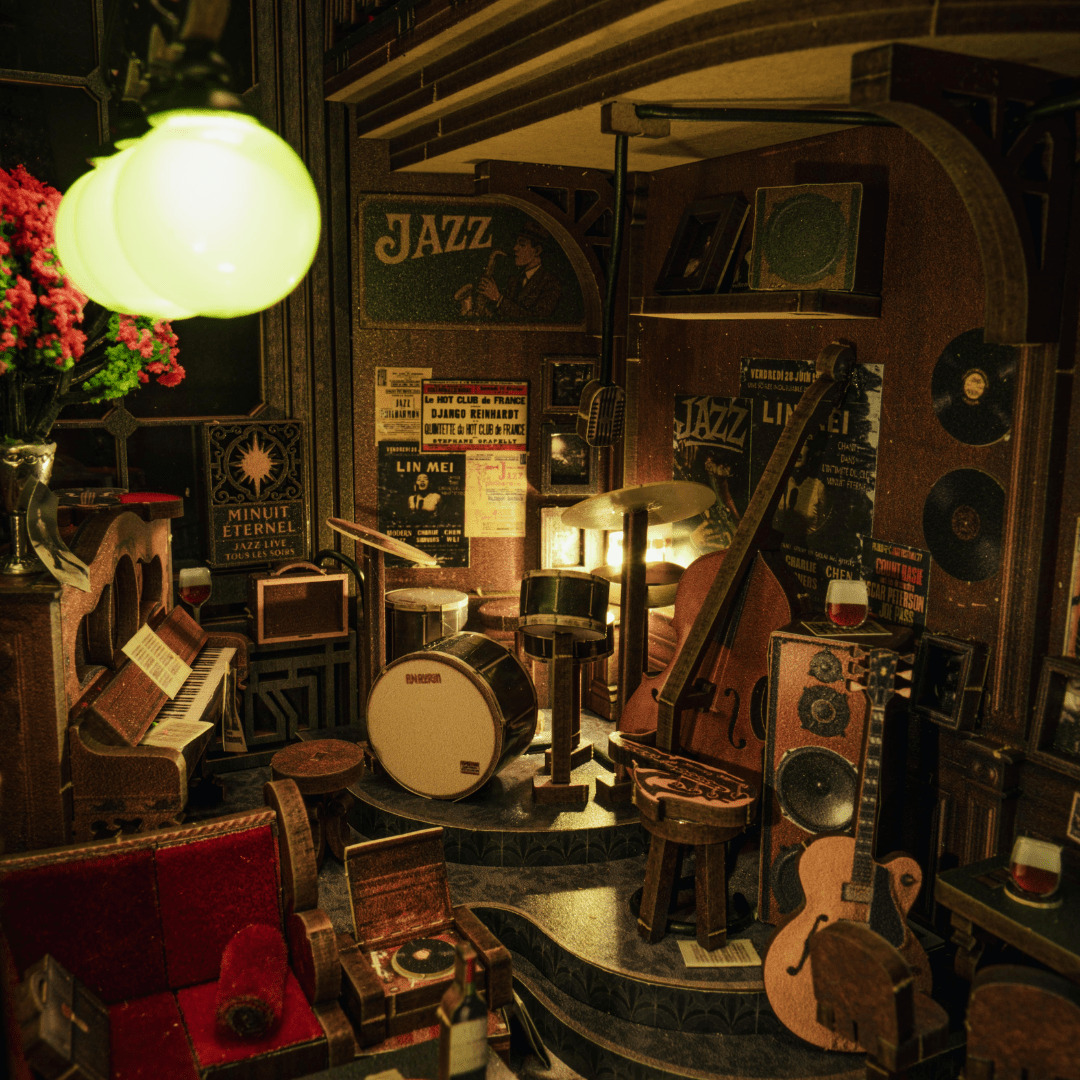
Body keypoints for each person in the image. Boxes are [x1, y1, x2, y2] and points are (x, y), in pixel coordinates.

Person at [477, 221, 562, 319]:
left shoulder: (551, 284)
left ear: (537, 250)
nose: (515, 248)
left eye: (522, 244)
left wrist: (498, 298)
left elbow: (536, 320)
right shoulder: (514, 280)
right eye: (517, 243)